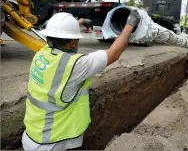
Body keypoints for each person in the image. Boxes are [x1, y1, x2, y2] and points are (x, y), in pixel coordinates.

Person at [22, 10, 140, 150]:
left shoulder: (42, 53)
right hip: (52, 143)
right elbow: (114, 53)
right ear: (72, 42)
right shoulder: (75, 65)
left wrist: (80, 22)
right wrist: (130, 24)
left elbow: (58, 35)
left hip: (32, 136)